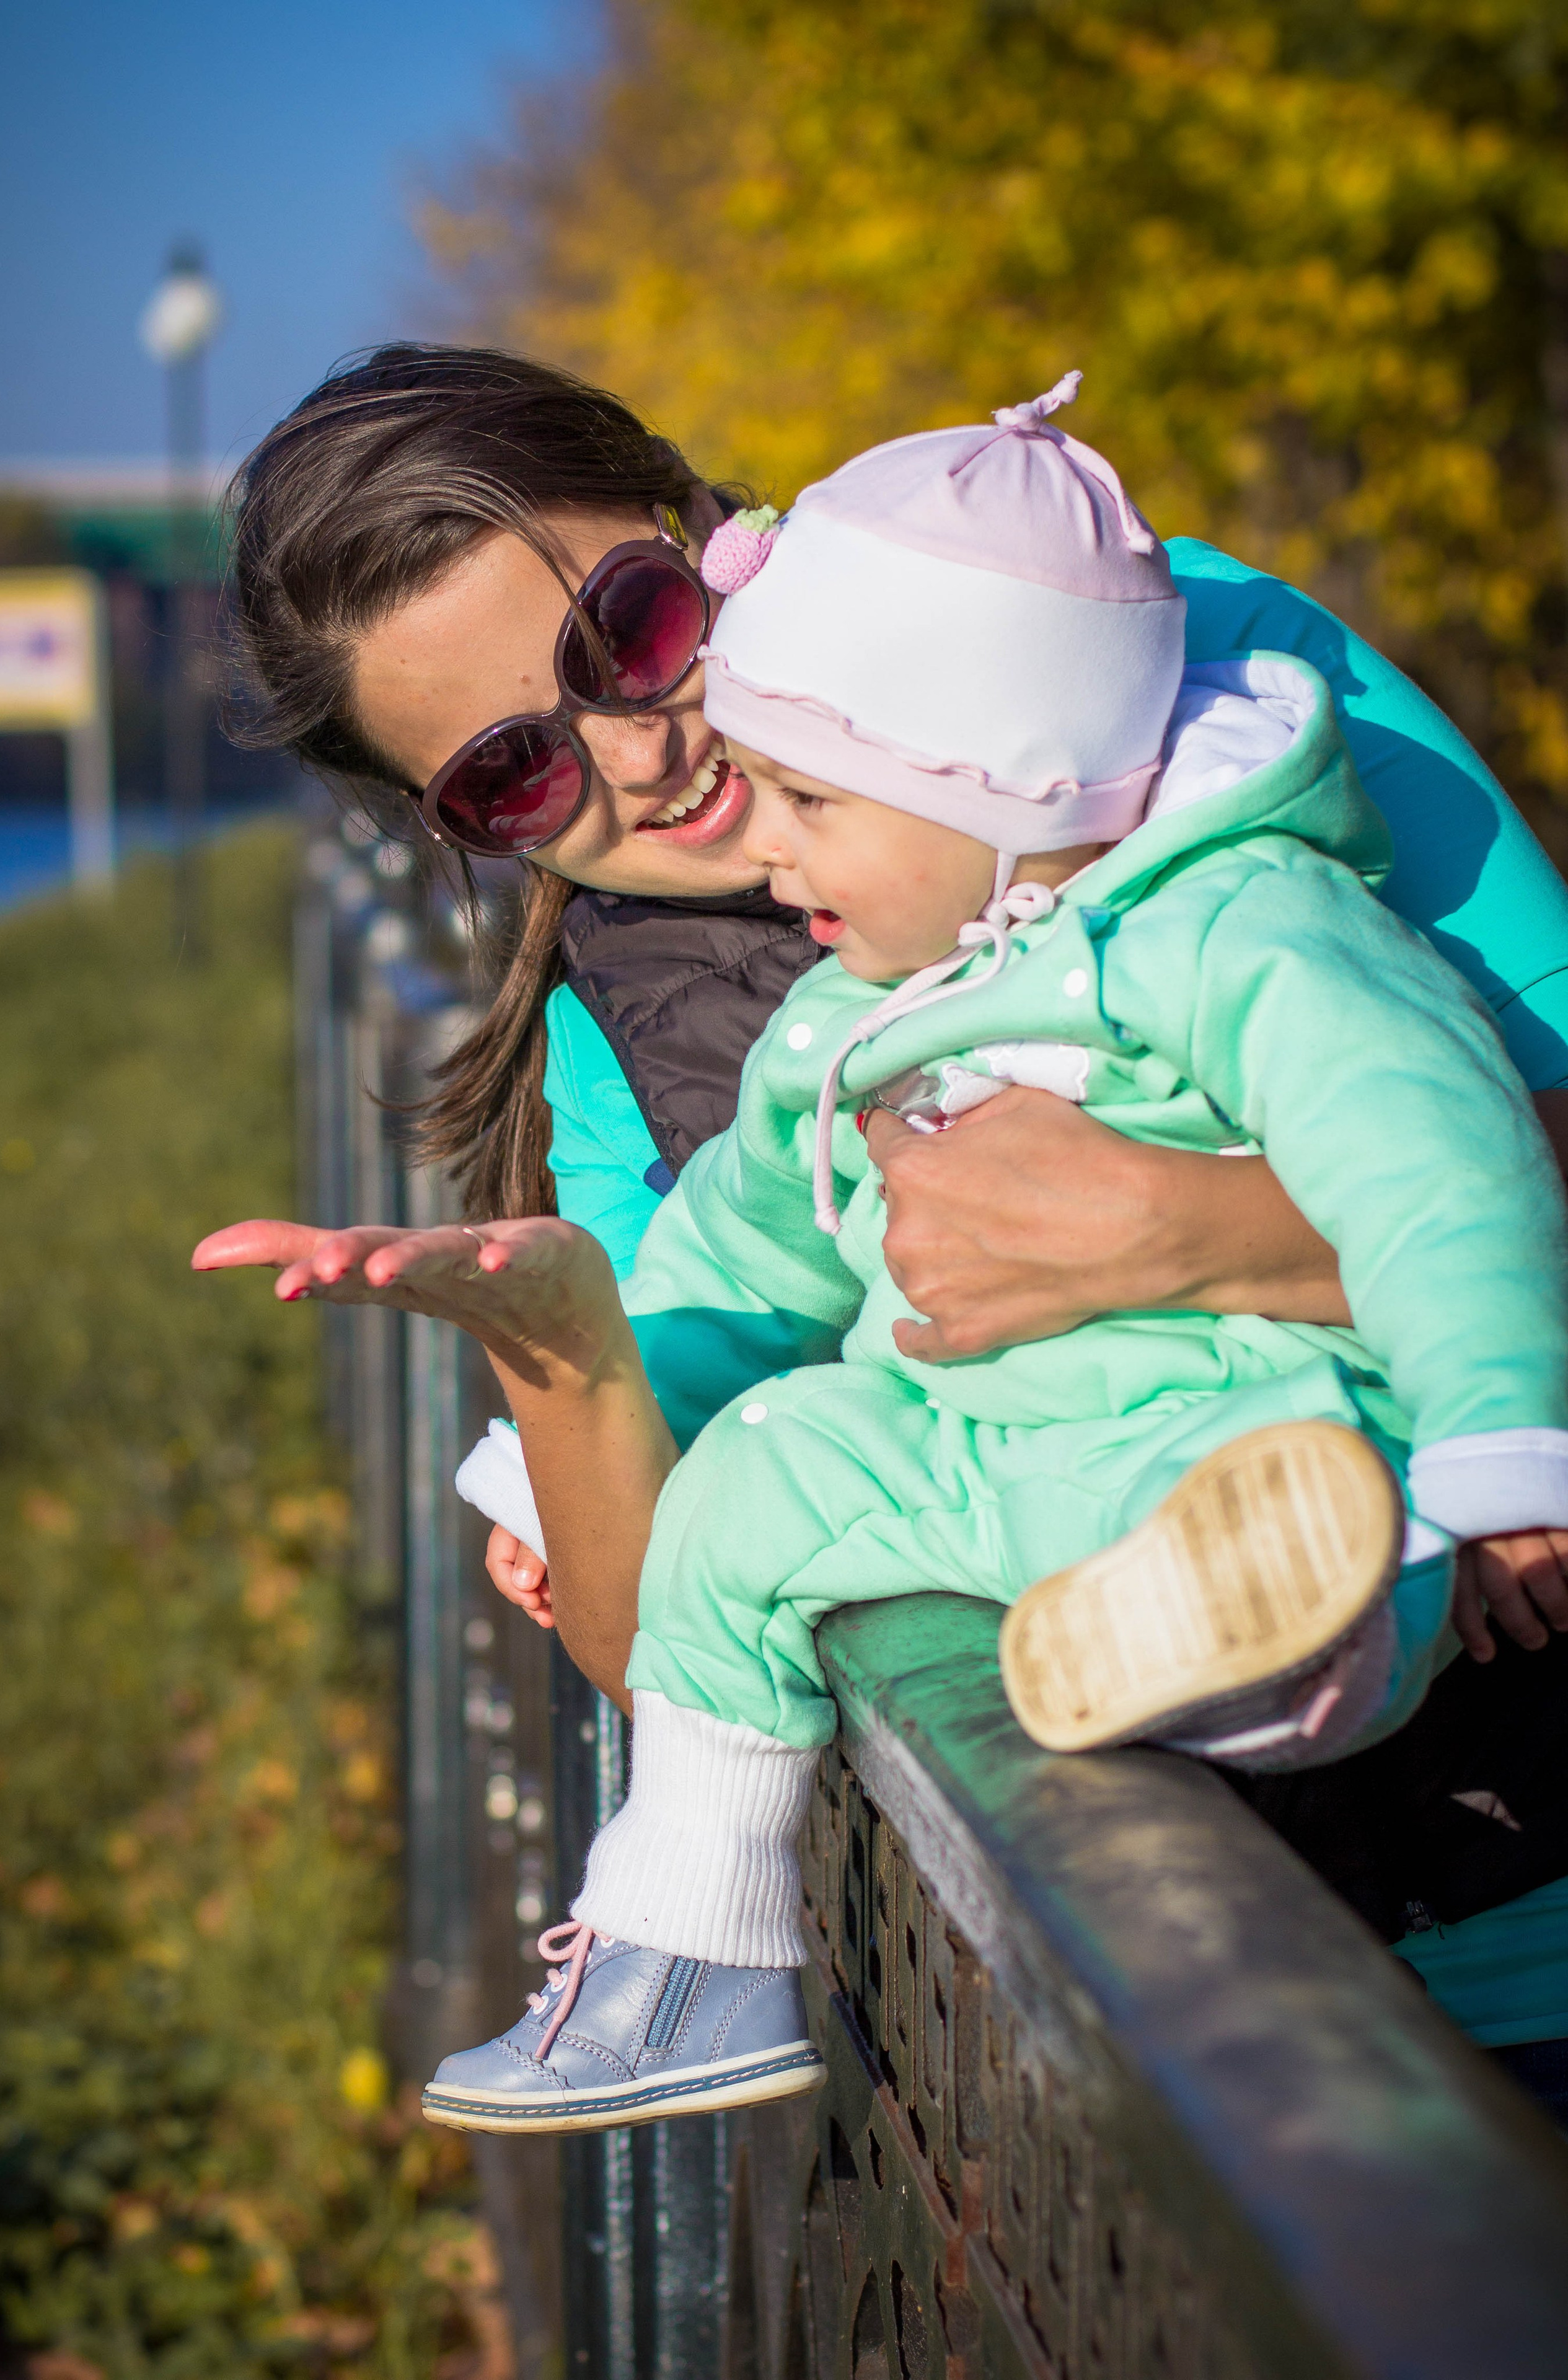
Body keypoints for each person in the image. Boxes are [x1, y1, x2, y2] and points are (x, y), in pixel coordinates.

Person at [198, 345, 1568, 2122]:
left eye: (631, 624)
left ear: (719, 528)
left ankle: (1302, 1618)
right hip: (1109, 1988)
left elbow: (1476, 1134)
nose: (645, 752)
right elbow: (657, 1632)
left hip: (1523, 1871)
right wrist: (559, 1370)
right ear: (466, 835)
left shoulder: (1155, 662)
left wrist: (1183, 1236)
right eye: (515, 774)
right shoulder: (621, 1041)